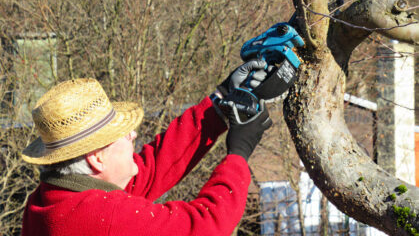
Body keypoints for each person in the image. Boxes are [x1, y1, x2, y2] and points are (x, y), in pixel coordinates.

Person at [21, 60, 273, 236]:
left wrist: (219, 101)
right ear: (96, 157)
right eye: (121, 134)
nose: (133, 134)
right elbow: (204, 226)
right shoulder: (107, 217)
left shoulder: (49, 199)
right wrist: (239, 152)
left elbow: (149, 171)